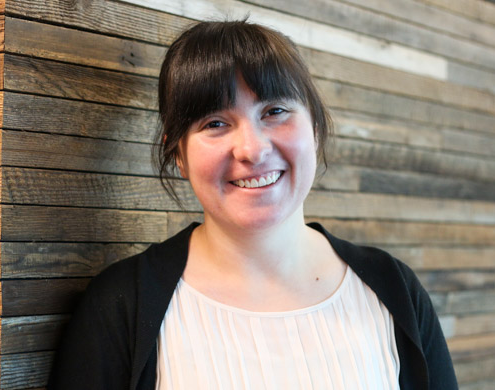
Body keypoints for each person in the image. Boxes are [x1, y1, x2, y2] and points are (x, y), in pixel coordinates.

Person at [48, 20, 458, 389]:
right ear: (178, 153)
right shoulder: (122, 306)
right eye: (215, 123)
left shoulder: (393, 289)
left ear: (314, 128)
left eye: (275, 111)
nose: (252, 149)